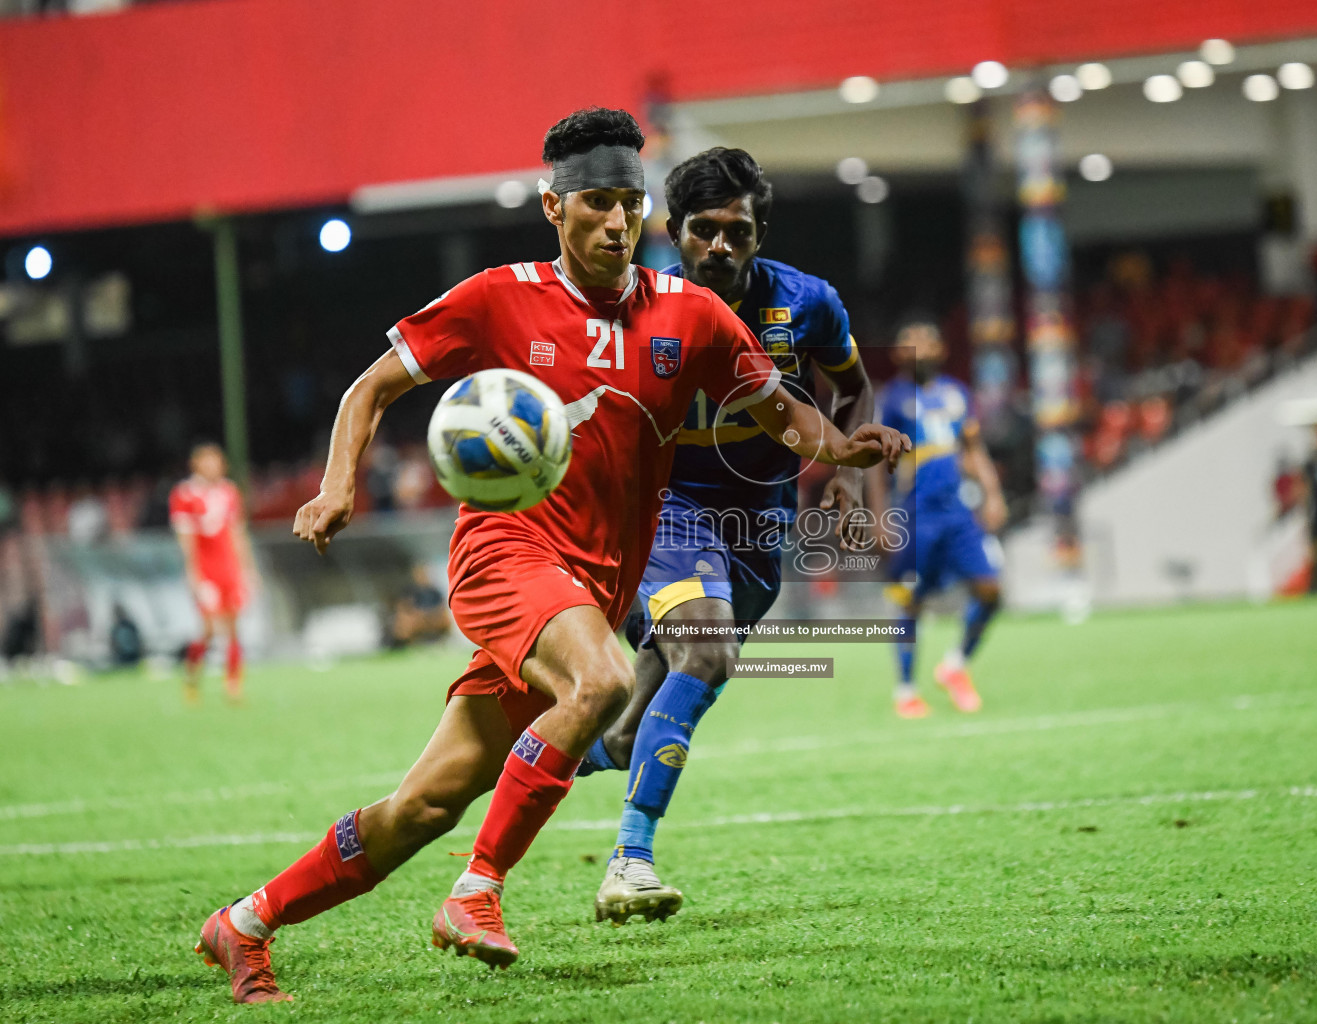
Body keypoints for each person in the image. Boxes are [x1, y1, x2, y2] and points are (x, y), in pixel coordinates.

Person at [193, 107, 907, 1004]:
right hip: (507, 555)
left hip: (595, 587)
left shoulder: (691, 314)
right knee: (605, 685)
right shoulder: (499, 298)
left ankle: (246, 923)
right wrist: (340, 487)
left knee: (424, 806)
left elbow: (780, 409)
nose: (618, 222)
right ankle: (478, 892)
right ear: (553, 208)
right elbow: (370, 388)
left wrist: (840, 450)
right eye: (598, 203)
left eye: (631, 204)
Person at [571, 147, 874, 925]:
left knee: (646, 709)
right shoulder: (628, 306)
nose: (719, 247)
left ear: (759, 231)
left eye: (735, 231)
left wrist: (847, 473)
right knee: (706, 652)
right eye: (702, 230)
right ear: (675, 232)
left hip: (755, 524)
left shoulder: (807, 304)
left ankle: (580, 752)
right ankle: (630, 860)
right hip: (665, 514)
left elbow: (853, 385)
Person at [876, 320, 1006, 719]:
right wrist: (878, 514)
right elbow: (871, 464)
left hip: (958, 514)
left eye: (928, 340)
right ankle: (906, 691)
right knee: (912, 603)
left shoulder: (957, 393)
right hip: (917, 516)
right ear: (898, 354)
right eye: (910, 341)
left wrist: (993, 493)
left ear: (942, 349)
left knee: (990, 591)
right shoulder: (891, 399)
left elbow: (972, 449)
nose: (921, 348)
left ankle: (954, 667)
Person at [169, 442, 258, 702]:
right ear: (196, 465)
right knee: (208, 629)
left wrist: (248, 570)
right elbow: (186, 540)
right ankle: (192, 676)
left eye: (216, 461)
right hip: (205, 570)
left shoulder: (229, 492)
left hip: (228, 568)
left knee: (233, 626)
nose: (213, 467)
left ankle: (233, 685)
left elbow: (237, 534)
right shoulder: (184, 494)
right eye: (207, 462)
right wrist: (193, 574)